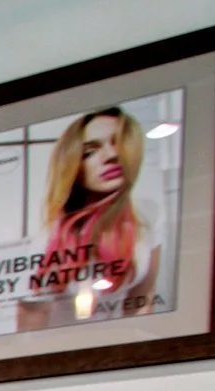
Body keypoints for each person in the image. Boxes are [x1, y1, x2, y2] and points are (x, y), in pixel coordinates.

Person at [17, 105, 165, 329]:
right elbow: (28, 333)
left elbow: (142, 298)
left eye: (118, 143)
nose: (112, 155)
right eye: (89, 152)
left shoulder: (148, 216)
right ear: (74, 167)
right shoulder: (46, 243)